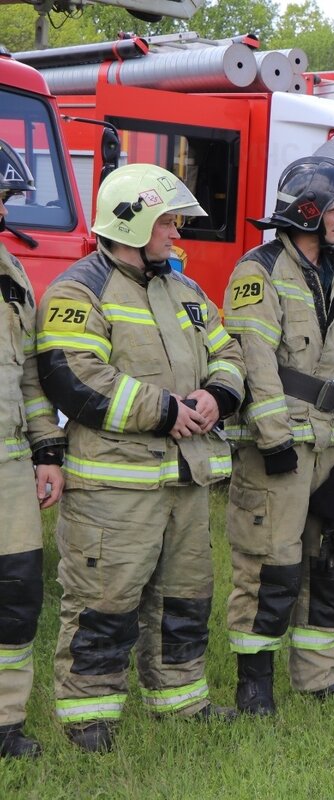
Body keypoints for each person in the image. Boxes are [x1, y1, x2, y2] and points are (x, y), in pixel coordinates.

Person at [36, 164, 245, 752]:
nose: (176, 232)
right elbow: (74, 377)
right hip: (114, 490)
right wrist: (168, 409)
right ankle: (88, 719)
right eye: (167, 221)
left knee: (186, 598)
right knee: (105, 603)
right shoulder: (78, 291)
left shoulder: (184, 289)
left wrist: (216, 395)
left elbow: (227, 353)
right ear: (130, 222)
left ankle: (180, 701)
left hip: (186, 479)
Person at [222, 156, 334, 715]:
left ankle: (320, 677)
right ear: (306, 211)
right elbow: (253, 359)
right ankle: (255, 687)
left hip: (330, 446)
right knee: (269, 565)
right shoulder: (259, 271)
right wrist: (274, 437)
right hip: (279, 447)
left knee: (328, 562)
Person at [0, 142, 65, 759]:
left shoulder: (11, 271)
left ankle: (3, 724)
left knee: (16, 593)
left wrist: (47, 450)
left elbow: (26, 377)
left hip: (9, 469)